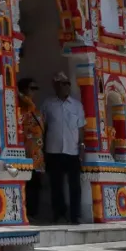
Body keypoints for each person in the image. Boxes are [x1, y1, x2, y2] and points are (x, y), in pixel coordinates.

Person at [41, 71, 87, 224]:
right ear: (56, 86)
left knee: (75, 185)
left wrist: (81, 145)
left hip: (72, 150)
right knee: (56, 184)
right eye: (63, 84)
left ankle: (75, 215)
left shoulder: (76, 105)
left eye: (68, 83)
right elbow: (43, 126)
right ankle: (59, 214)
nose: (66, 87)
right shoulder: (48, 105)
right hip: (53, 149)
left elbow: (80, 127)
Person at [17, 77, 45, 222]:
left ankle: (34, 213)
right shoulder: (22, 108)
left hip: (37, 154)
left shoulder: (33, 108)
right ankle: (27, 213)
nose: (34, 92)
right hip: (25, 152)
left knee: (36, 185)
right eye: (31, 88)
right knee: (28, 185)